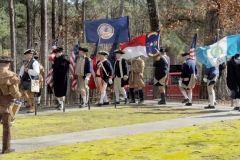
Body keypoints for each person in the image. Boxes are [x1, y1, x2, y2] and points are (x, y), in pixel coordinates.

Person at [0, 56, 22, 153]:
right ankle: (6, 149)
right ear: (9, 64)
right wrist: (19, 96)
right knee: (6, 127)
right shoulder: (10, 75)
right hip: (4, 105)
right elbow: (15, 93)